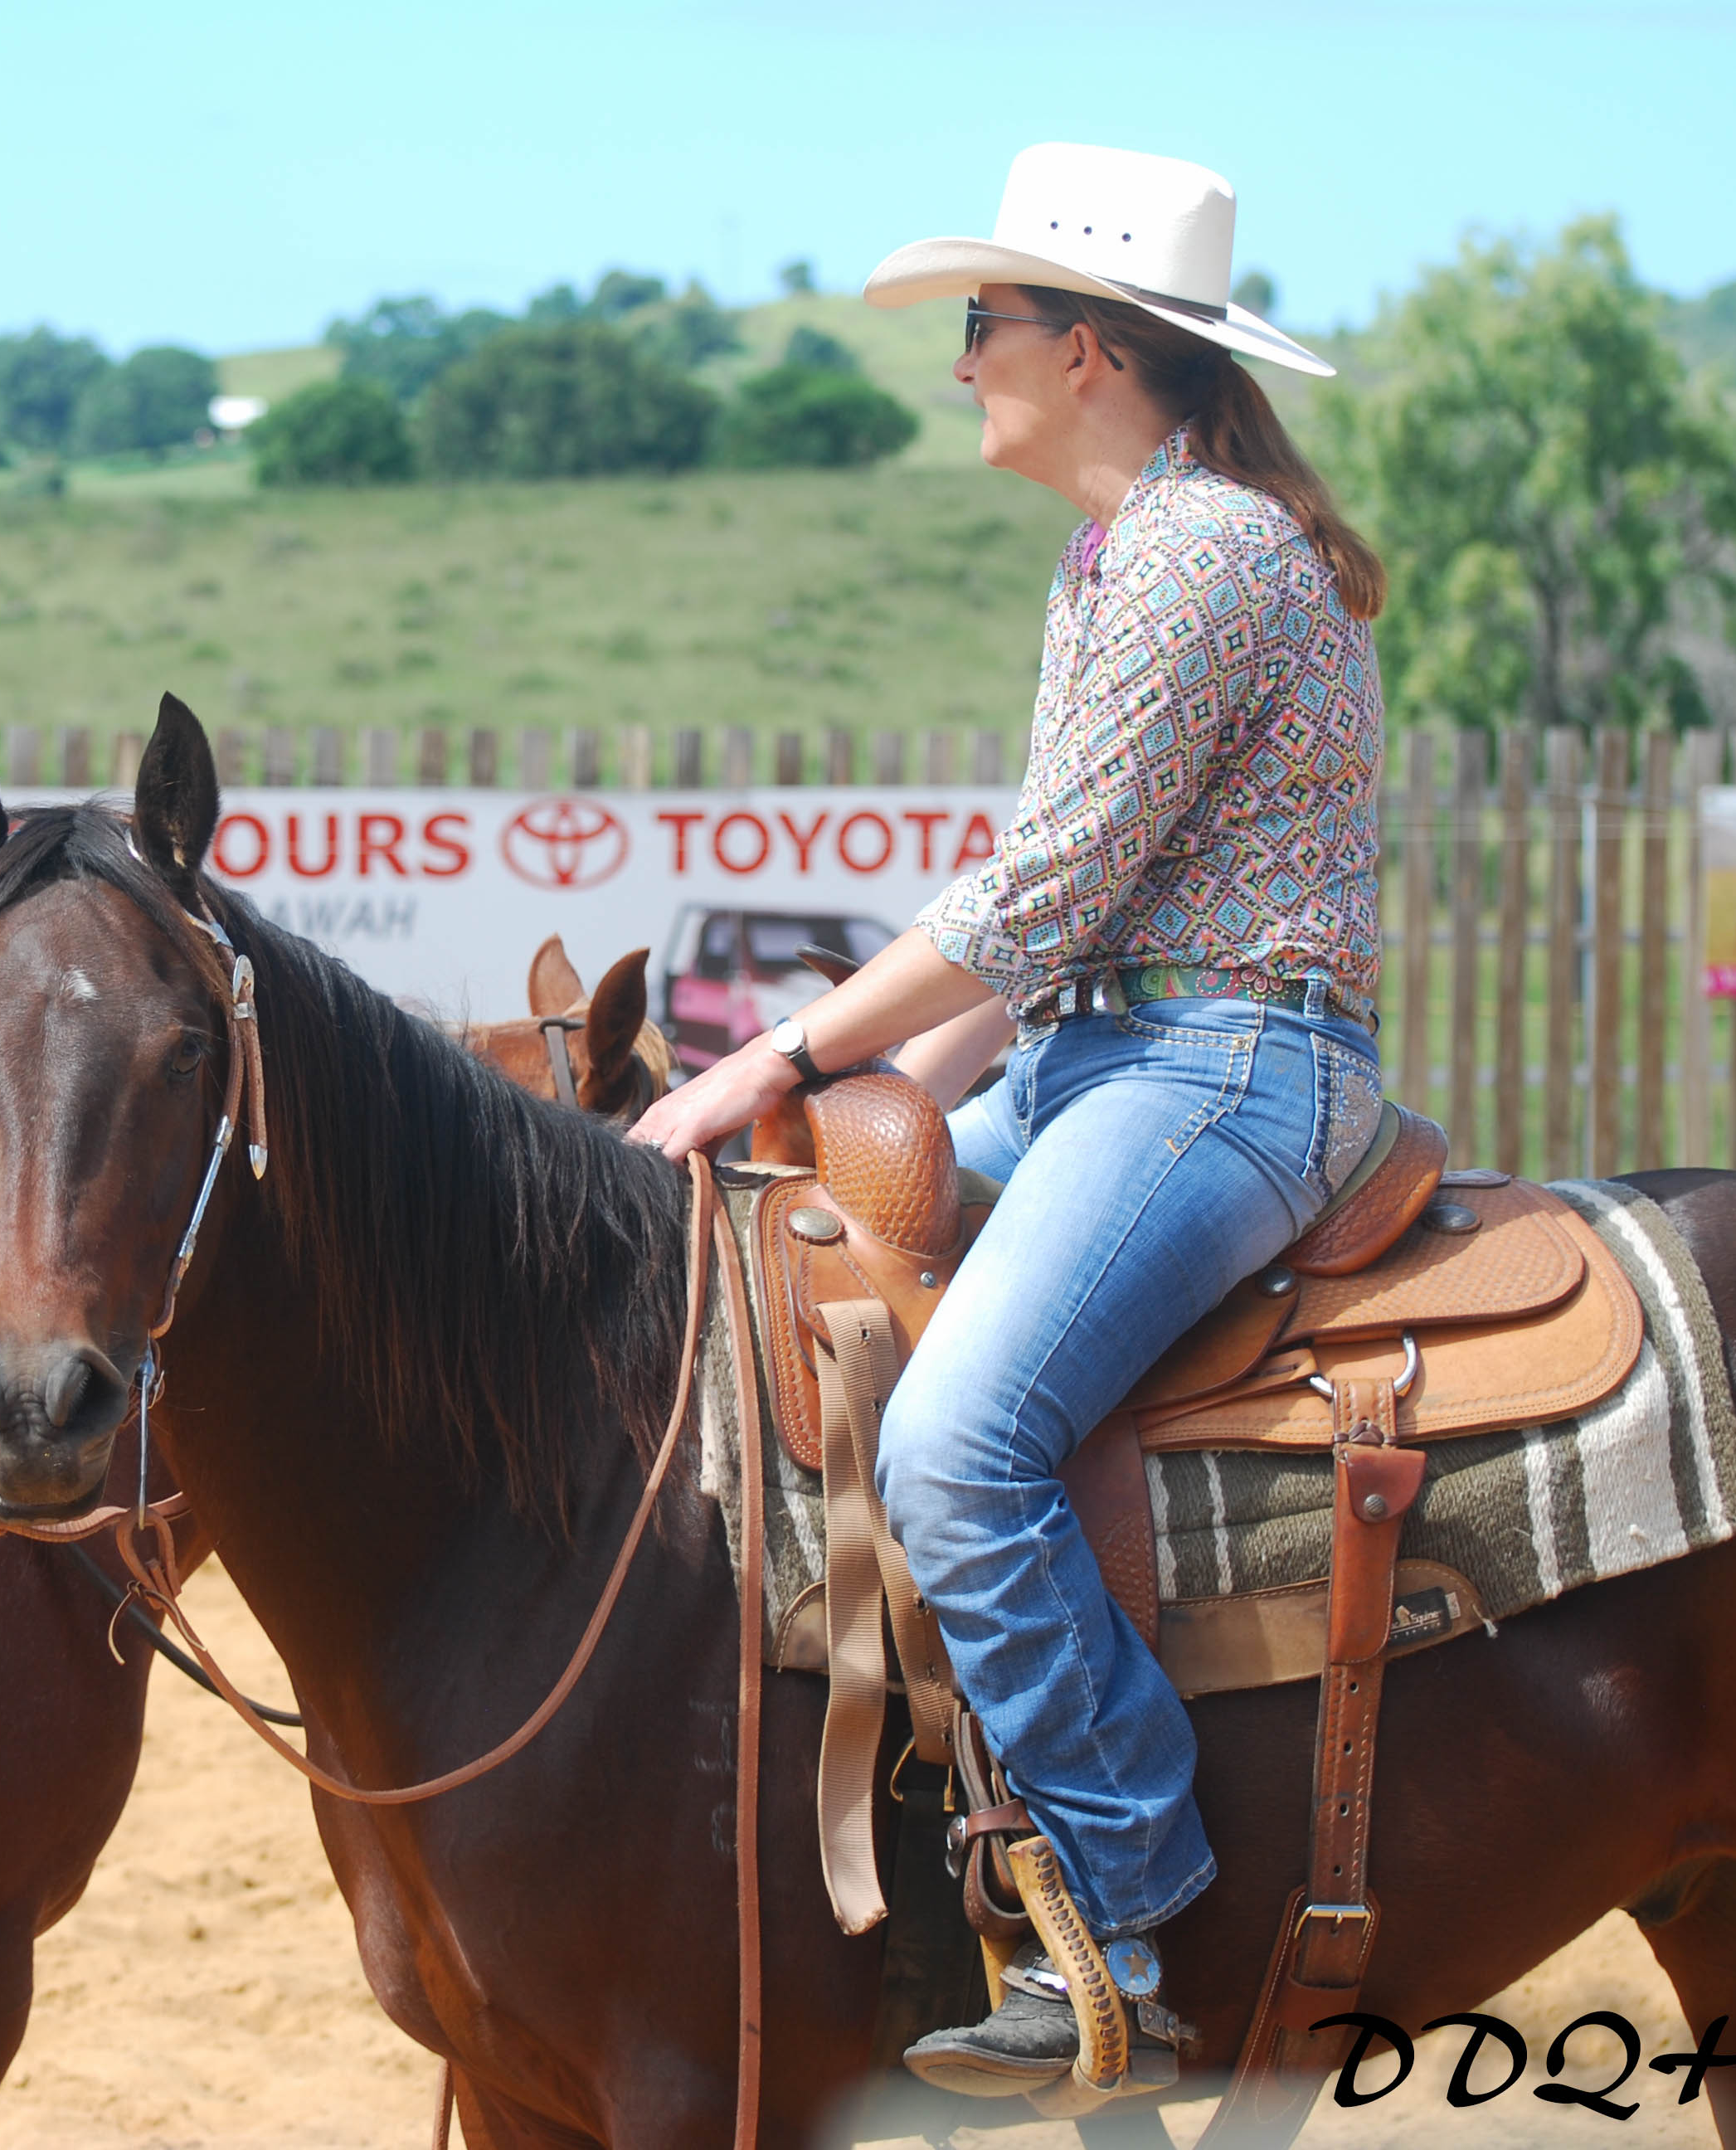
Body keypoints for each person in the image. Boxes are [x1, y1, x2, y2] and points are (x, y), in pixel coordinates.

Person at [630, 145, 1388, 2098]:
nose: (958, 362)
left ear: (1088, 346)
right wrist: (892, 1092)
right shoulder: (1115, 551)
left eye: (981, 327)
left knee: (963, 1444)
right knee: (777, 1314)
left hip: (1228, 1070)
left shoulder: (1203, 555)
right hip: (1107, 1056)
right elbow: (1067, 921)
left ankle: (1120, 1913)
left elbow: (1039, 895)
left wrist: (776, 1063)